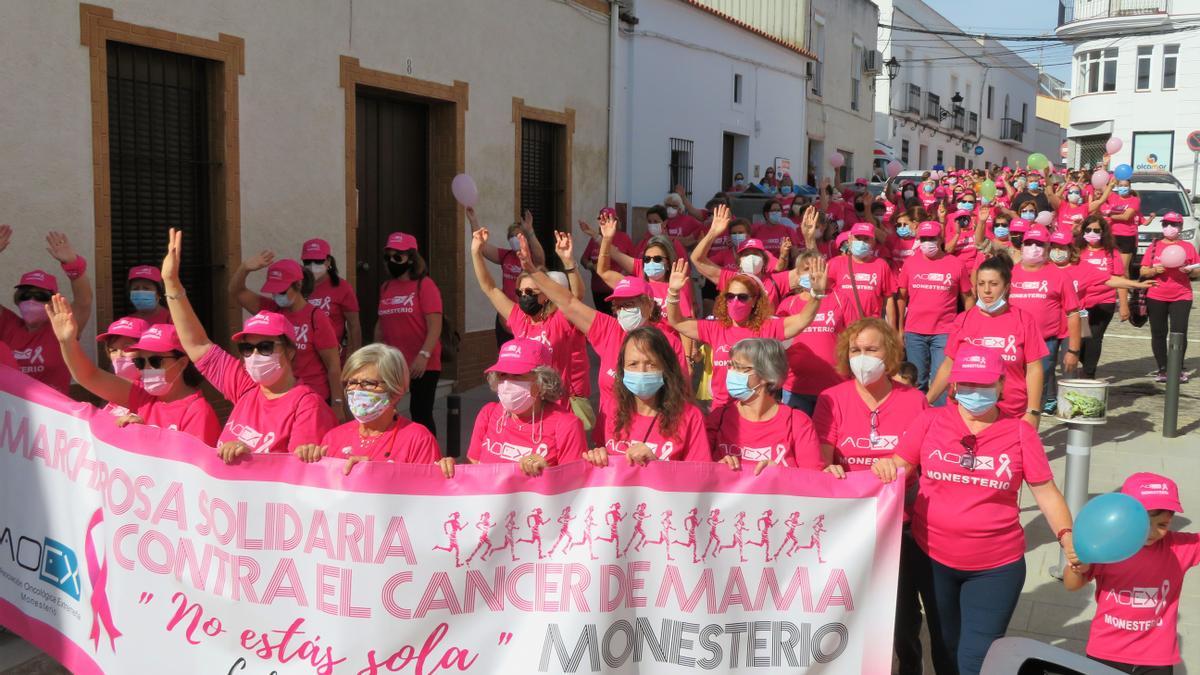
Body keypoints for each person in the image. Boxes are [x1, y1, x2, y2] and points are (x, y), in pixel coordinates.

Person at [873, 346, 1077, 675]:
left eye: (983, 385)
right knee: (945, 647)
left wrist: (1067, 538)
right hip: (932, 559)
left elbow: (1046, 493)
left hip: (996, 567)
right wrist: (885, 466)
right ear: (953, 387)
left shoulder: (1020, 433)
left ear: (1000, 385)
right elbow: (901, 465)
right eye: (966, 384)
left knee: (976, 657)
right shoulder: (929, 421)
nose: (974, 392)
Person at [811, 316, 932, 673]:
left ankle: (909, 666)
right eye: (855, 350)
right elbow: (821, 455)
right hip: (849, 525)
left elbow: (919, 460)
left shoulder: (915, 401)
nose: (862, 358)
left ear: (890, 354)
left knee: (903, 614)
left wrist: (898, 468)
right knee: (847, 608)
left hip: (900, 525)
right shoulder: (831, 399)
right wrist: (827, 468)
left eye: (871, 349)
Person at [160, 228, 336, 461]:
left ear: (290, 351)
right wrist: (171, 283)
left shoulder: (307, 406)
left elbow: (297, 479)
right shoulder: (244, 386)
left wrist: (250, 460)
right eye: (247, 348)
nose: (255, 355)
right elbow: (198, 345)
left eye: (265, 347)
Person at [1064, 472, 1198, 674]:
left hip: (1156, 655)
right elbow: (1071, 584)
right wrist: (1077, 566)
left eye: (1162, 525)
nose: (1152, 532)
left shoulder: (1179, 548)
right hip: (1106, 650)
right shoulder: (1109, 544)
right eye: (1143, 522)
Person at [666, 258, 827, 407]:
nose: (735, 302)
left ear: (755, 300)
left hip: (758, 408)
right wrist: (673, 292)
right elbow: (677, 321)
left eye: (742, 297)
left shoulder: (767, 327)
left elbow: (802, 320)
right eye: (730, 296)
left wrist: (816, 295)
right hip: (721, 410)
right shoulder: (715, 328)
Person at [47, 305, 219, 444]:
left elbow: (194, 474)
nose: (146, 369)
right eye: (140, 362)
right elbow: (88, 376)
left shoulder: (198, 412)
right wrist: (67, 341)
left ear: (182, 362)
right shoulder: (142, 394)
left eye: (155, 361)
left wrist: (146, 438)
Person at [472, 228, 592, 424]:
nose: (524, 297)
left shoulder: (560, 319)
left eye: (530, 292)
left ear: (545, 294)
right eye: (520, 293)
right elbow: (490, 288)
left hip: (559, 407)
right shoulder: (519, 318)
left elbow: (576, 297)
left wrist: (569, 263)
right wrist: (476, 252)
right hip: (527, 406)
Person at [438, 338, 587, 477]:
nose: (508, 383)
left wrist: (547, 474)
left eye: (518, 375)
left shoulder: (566, 425)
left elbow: (574, 488)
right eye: (503, 375)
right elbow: (472, 468)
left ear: (542, 381)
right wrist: (451, 468)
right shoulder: (488, 414)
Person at [928, 256, 1048, 427]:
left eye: (993, 284)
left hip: (1010, 413)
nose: (986, 290)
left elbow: (1034, 369)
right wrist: (928, 400)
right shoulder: (963, 319)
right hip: (964, 413)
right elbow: (949, 365)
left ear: (1006, 287)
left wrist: (1033, 411)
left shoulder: (1024, 320)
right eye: (981, 283)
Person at [294, 344, 440, 474]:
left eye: (368, 383)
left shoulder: (418, 439)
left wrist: (374, 477)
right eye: (351, 382)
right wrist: (308, 459)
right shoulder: (333, 437)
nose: (356, 390)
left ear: (396, 391)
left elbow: (425, 497)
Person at [582, 326, 710, 466]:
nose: (641, 372)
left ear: (666, 368)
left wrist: (657, 465)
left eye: (651, 364)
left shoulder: (690, 417)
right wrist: (598, 456)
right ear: (622, 369)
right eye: (633, 364)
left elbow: (699, 479)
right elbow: (601, 453)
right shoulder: (610, 409)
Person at [230, 256, 342, 406]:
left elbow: (333, 366)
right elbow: (236, 292)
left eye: (281, 291)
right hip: (282, 396)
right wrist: (244, 268)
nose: (277, 296)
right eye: (273, 291)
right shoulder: (271, 309)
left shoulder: (316, 317)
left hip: (313, 398)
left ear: (298, 284)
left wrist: (338, 403)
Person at [708, 338, 824, 472]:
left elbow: (813, 480)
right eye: (730, 365)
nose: (731, 372)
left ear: (767, 375)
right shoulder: (718, 418)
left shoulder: (798, 423)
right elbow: (695, 470)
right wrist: (716, 467)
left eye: (739, 367)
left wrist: (782, 475)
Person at [1049, 229, 1151, 380]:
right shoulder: (1042, 267)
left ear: (1071, 249)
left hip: (1073, 325)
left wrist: (1135, 284)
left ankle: (1077, 387)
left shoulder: (1082, 267)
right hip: (1048, 325)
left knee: (1070, 364)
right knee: (1047, 367)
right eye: (1054, 247)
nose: (1058, 251)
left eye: (1062, 248)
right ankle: (1049, 399)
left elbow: (1110, 279)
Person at [0, 228, 92, 394]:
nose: (31, 301)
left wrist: (73, 265)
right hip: (12, 414)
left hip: (53, 414)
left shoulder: (62, 329)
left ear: (53, 300)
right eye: (25, 295)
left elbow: (84, 302)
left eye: (40, 296)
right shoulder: (7, 324)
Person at [1008, 227, 1082, 416]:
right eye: (1029, 243)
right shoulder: (1009, 273)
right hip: (1011, 342)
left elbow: (1073, 313)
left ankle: (1030, 431)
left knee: (1036, 391)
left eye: (1039, 244)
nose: (1034, 247)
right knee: (1011, 388)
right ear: (1022, 246)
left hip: (1044, 344)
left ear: (1048, 247)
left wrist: (1073, 350)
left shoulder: (1059, 275)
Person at [375, 232, 444, 433]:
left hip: (423, 363)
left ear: (412, 258)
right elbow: (381, 323)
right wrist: (375, 354)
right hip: (394, 362)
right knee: (386, 411)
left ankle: (430, 457)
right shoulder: (386, 287)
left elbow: (435, 325)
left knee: (420, 413)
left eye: (398, 256)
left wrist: (424, 355)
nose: (392, 261)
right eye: (388, 257)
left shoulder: (425, 285)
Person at [898, 221, 973, 396]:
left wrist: (965, 327)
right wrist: (900, 328)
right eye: (923, 238)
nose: (927, 242)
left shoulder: (956, 264)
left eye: (931, 238)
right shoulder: (910, 263)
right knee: (916, 382)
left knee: (942, 382)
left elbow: (968, 297)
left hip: (945, 332)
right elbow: (901, 298)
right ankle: (917, 419)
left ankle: (940, 420)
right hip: (914, 331)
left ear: (940, 238)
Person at [776, 250, 852, 414]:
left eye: (816, 268)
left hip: (834, 385)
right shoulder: (788, 304)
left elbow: (854, 337)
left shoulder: (841, 299)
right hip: (795, 387)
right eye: (806, 269)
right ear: (797, 274)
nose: (812, 274)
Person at [466, 207, 546, 346]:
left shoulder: (531, 259)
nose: (513, 239)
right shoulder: (505, 256)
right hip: (505, 320)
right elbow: (482, 247)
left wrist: (530, 232)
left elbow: (541, 258)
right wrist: (473, 221)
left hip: (527, 319)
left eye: (517, 236)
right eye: (511, 237)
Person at [1139, 212, 1199, 383]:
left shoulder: (1187, 247)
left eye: (1173, 225)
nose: (1169, 228)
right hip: (1156, 294)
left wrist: (1190, 271)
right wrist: (1153, 271)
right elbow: (1143, 270)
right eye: (1165, 224)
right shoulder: (1154, 246)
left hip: (1181, 294)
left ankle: (1177, 368)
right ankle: (1163, 369)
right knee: (1158, 333)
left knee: (1179, 332)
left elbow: (1197, 270)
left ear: (1180, 227)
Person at [692, 205, 788, 307]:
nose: (737, 235)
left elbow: (779, 267)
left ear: (748, 234)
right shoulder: (726, 260)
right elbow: (700, 261)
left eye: (740, 232)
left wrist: (783, 255)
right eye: (734, 233)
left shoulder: (762, 253)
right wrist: (713, 232)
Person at [1076, 215, 1129, 378]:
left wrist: (1124, 305)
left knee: (1094, 337)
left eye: (1096, 230)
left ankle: (1088, 374)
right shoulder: (1077, 251)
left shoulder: (1111, 253)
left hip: (1104, 302)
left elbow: (1120, 278)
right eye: (1088, 230)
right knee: (1081, 338)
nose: (1092, 233)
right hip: (1080, 303)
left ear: (1103, 232)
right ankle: (1086, 363)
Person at [826, 222, 898, 327]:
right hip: (842, 327)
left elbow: (888, 299)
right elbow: (823, 292)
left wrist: (892, 330)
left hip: (871, 326)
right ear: (850, 240)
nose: (862, 242)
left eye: (866, 239)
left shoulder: (881, 265)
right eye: (858, 238)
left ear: (873, 242)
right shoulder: (835, 263)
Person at [299, 238, 361, 358]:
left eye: (318, 261)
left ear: (328, 261)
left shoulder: (342, 287)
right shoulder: (298, 287)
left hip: (334, 356)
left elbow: (354, 324)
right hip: (305, 358)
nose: (312, 266)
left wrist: (355, 357)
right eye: (308, 261)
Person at [579, 209, 634, 314]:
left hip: (617, 287)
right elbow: (583, 259)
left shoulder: (624, 238)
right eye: (600, 218)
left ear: (615, 221)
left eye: (607, 218)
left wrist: (623, 274)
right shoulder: (594, 240)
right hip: (598, 288)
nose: (603, 220)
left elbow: (634, 261)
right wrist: (590, 266)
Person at [93, 316, 149, 414]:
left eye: (127, 348)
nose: (119, 356)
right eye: (113, 350)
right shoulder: (111, 388)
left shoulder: (158, 389)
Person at [1104, 178, 1140, 274]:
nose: (1123, 188)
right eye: (1120, 186)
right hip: (1112, 235)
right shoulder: (1113, 197)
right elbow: (1103, 193)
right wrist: (1111, 185)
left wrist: (1110, 216)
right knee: (1111, 266)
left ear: (1129, 187)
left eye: (1125, 186)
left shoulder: (1134, 200)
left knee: (1123, 269)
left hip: (1127, 236)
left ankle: (1125, 288)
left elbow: (1126, 217)